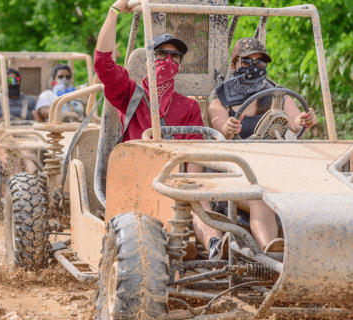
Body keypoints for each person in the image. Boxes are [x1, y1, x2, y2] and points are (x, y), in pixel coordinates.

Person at [195, 37, 318, 259]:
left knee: (310, 193)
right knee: (261, 199)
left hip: (273, 172)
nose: (254, 67)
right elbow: (218, 126)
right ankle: (272, 253)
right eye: (247, 61)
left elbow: (294, 120)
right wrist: (228, 127)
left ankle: (315, 253)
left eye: (260, 62)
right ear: (234, 65)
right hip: (233, 177)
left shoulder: (275, 93)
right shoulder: (220, 98)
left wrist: (304, 119)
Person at [94, 0, 204, 143]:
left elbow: (194, 154)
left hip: (174, 165)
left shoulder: (189, 107)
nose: (168, 61)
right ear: (148, 60)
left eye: (175, 56)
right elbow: (103, 65)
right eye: (161, 54)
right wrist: (114, 11)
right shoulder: (129, 95)